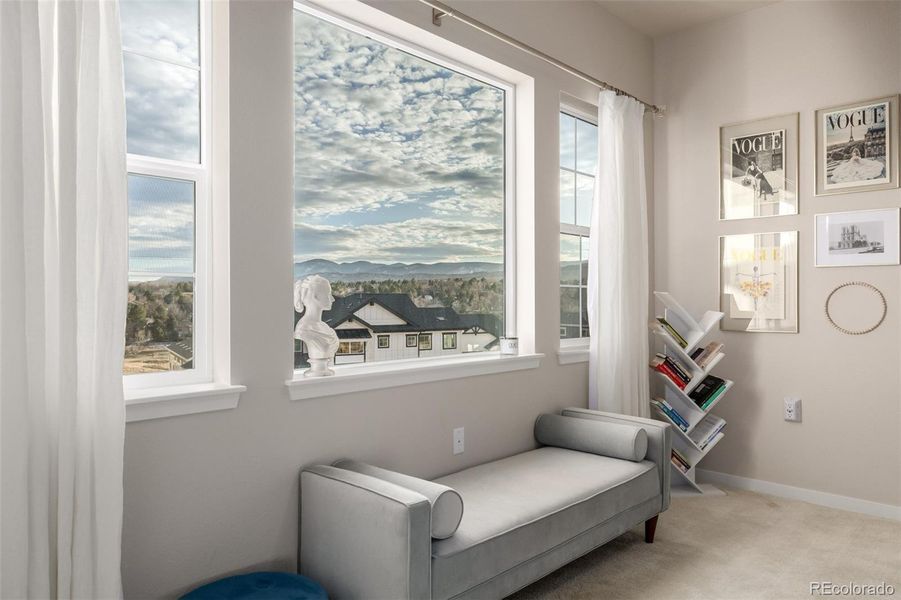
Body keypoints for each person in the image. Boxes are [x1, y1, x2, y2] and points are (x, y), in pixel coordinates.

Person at [294, 275, 340, 377]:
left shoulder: (325, 327)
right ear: (315, 297)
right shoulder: (303, 329)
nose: (332, 299)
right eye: (328, 294)